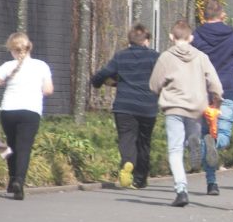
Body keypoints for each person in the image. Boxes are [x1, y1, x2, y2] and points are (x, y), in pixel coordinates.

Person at [149, 20, 223, 207]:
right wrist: (216, 99)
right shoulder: (201, 57)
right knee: (193, 135)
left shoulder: (166, 57)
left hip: (174, 107)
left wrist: (162, 90)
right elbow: (215, 83)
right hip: (196, 107)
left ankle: (181, 190)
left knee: (175, 149)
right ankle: (195, 144)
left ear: (171, 37)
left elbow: (153, 85)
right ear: (191, 38)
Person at [0, 32, 54, 200]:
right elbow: (48, 90)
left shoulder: (8, 65)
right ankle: (19, 182)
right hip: (30, 111)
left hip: (9, 110)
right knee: (24, 147)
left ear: (12, 50)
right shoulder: (41, 65)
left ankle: (12, 179)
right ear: (29, 47)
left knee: (12, 145)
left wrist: (0, 81)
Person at [91, 24, 160, 189]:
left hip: (124, 106)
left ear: (130, 40)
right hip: (147, 106)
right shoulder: (155, 57)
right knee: (144, 142)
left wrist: (97, 83)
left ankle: (128, 162)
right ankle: (140, 179)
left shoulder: (120, 56)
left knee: (126, 138)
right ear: (147, 40)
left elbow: (103, 74)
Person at [192, 0, 233, 196]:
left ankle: (211, 182)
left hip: (201, 91)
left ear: (204, 16)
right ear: (223, 16)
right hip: (226, 91)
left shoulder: (195, 36)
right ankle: (215, 146)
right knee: (222, 134)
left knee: (206, 134)